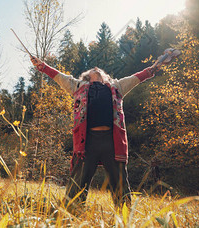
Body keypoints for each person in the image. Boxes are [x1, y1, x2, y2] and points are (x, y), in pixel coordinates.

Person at [30, 55, 172, 211]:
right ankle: (70, 214)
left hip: (112, 142)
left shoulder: (116, 86)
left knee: (120, 181)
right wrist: (42, 66)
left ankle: (124, 217)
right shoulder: (78, 86)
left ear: (105, 76)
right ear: (86, 76)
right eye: (92, 69)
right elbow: (58, 76)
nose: (96, 69)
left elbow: (136, 78)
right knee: (78, 181)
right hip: (87, 142)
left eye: (99, 70)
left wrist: (154, 67)